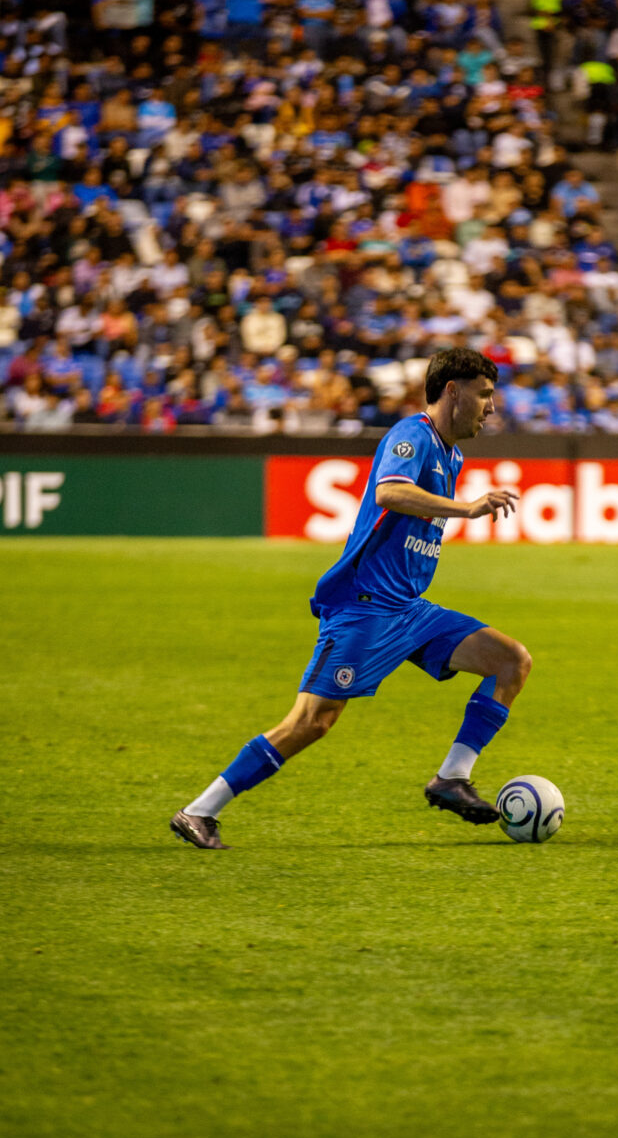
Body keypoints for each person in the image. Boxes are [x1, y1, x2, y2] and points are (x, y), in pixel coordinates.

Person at [171, 349, 531, 849]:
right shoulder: (412, 436)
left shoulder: (452, 454)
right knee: (312, 722)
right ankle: (198, 810)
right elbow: (389, 492)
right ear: (454, 391)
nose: (491, 406)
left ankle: (451, 778)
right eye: (485, 394)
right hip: (364, 607)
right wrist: (466, 509)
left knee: (511, 661)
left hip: (409, 609)